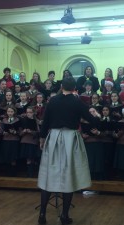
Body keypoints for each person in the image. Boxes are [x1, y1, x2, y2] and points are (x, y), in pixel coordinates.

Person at [37, 77, 98, 225]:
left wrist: (42, 138)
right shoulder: (77, 101)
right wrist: (96, 115)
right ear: (74, 88)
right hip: (71, 139)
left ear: (62, 86)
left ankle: (42, 214)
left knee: (48, 177)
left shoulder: (53, 101)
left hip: (54, 139)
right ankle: (64, 215)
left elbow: (45, 122)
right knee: (68, 177)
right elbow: (92, 120)